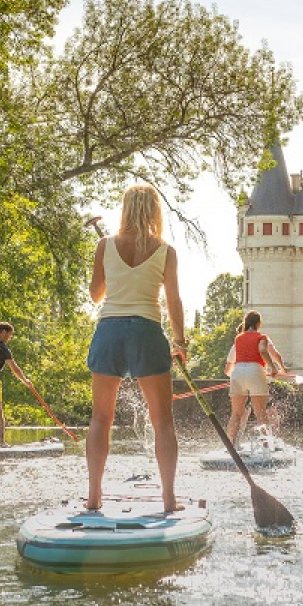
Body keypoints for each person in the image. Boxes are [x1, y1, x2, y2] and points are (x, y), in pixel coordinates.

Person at [85, 184, 188, 513]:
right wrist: (180, 341)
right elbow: (173, 300)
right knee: (163, 422)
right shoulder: (166, 251)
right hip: (146, 331)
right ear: (154, 211)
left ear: (125, 209)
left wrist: (108, 266)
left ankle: (93, 498)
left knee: (100, 419)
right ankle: (169, 499)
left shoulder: (104, 245)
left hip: (110, 331)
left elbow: (95, 295)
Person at [224, 310, 286, 445]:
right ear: (258, 324)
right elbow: (264, 351)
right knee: (261, 414)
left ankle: (231, 446)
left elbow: (229, 367)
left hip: (237, 372)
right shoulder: (261, 337)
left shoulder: (238, 338)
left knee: (236, 414)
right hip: (255, 371)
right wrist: (277, 368)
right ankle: (265, 447)